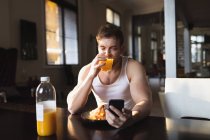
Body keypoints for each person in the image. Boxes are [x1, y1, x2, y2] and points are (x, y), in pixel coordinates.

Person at [67, 23, 152, 128]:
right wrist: (91, 76)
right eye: (102, 48)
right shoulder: (87, 70)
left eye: (113, 48)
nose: (107, 54)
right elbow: (72, 108)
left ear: (121, 49)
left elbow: (145, 102)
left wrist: (132, 115)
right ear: (98, 47)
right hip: (100, 122)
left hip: (128, 122)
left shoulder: (133, 67)